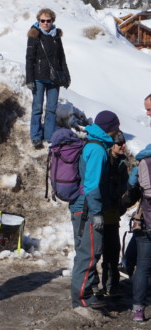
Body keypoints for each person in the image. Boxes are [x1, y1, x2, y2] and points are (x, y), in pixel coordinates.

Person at [69, 110, 120, 308]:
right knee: (89, 253)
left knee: (85, 250)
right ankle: (82, 299)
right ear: (109, 128)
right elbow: (92, 185)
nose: (117, 131)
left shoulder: (91, 144)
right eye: (116, 127)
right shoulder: (98, 150)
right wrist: (97, 213)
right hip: (89, 208)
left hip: (82, 206)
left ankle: (86, 294)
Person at [25, 8, 71, 149]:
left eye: (48, 20)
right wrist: (29, 78)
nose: (45, 23)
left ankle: (49, 136)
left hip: (54, 78)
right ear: (38, 21)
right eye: (42, 20)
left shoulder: (56, 36)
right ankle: (36, 136)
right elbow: (29, 58)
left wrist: (66, 76)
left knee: (51, 109)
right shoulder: (34, 35)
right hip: (38, 77)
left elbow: (61, 57)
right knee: (37, 108)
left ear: (52, 21)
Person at [122, 143, 151, 322]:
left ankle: (138, 310)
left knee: (143, 266)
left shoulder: (142, 164)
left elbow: (131, 190)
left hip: (146, 222)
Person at [99, 131, 128, 297]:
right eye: (120, 143)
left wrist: (121, 206)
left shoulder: (122, 163)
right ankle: (102, 285)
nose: (123, 146)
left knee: (113, 250)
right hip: (102, 212)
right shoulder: (105, 161)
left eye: (123, 143)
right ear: (112, 145)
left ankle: (112, 285)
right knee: (101, 251)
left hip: (113, 213)